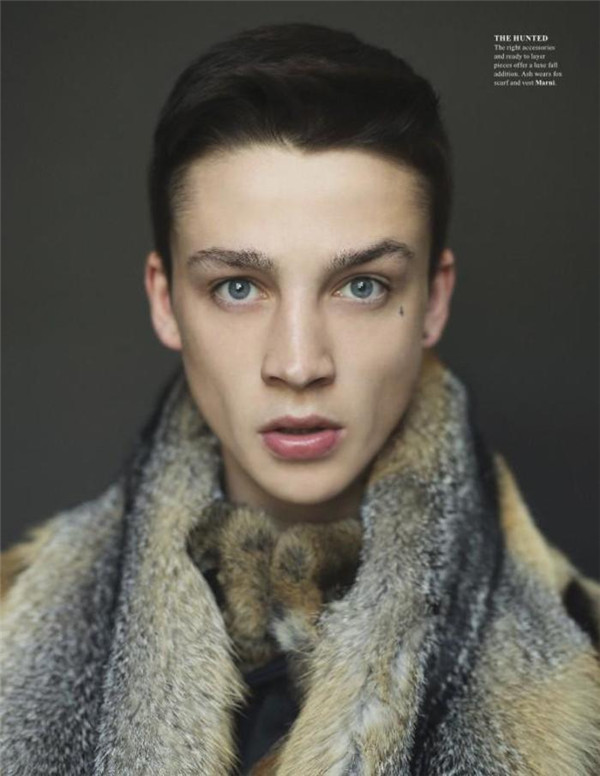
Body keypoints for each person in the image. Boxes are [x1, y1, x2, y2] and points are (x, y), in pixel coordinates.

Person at [1, 22, 599, 775]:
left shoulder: (584, 683)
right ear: (165, 300)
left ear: (434, 299)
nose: (297, 363)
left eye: (362, 286)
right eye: (237, 287)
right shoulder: (12, 635)